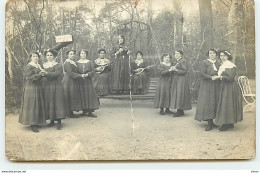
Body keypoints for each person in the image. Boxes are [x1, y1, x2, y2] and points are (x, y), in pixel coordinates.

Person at [214, 50, 243, 131]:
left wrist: (220, 77)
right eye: (221, 56)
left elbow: (230, 78)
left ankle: (225, 124)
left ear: (228, 56)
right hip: (225, 86)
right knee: (227, 103)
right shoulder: (223, 65)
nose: (222, 57)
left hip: (230, 86)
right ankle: (229, 122)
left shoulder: (230, 65)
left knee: (226, 104)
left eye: (224, 56)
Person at [18, 52, 46, 133]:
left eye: (37, 56)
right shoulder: (28, 66)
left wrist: (42, 75)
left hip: (38, 86)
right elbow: (30, 78)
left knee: (38, 103)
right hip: (31, 87)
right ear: (30, 58)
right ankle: (33, 124)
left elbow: (40, 77)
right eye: (34, 56)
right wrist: (40, 75)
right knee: (33, 103)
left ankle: (37, 121)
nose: (36, 57)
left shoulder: (39, 66)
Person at [195, 49, 221, 131]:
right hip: (207, 84)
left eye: (213, 53)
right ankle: (209, 123)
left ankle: (214, 121)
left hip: (216, 85)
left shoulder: (218, 63)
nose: (212, 55)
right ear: (208, 54)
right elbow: (202, 73)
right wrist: (211, 77)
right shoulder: (204, 62)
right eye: (210, 53)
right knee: (208, 101)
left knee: (215, 101)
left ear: (216, 54)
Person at [43, 49, 66, 130]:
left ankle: (59, 122)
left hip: (56, 85)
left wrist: (46, 73)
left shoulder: (58, 65)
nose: (49, 57)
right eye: (48, 55)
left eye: (51, 55)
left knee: (57, 102)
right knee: (50, 101)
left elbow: (57, 74)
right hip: (47, 85)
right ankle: (51, 120)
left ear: (54, 56)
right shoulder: (43, 65)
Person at [63, 50, 86, 118]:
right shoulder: (67, 62)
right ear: (67, 55)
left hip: (73, 80)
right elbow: (70, 73)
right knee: (69, 95)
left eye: (73, 54)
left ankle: (71, 111)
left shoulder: (73, 62)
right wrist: (80, 76)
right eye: (70, 54)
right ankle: (69, 112)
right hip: (69, 80)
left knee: (72, 95)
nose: (72, 55)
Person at [76, 50, 100, 117]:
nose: (83, 55)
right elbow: (75, 71)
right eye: (82, 53)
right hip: (80, 81)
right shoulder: (77, 63)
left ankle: (90, 111)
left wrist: (88, 74)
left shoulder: (89, 62)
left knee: (89, 95)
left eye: (84, 53)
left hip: (88, 81)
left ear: (86, 54)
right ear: (80, 54)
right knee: (82, 95)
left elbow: (93, 70)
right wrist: (80, 75)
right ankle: (84, 111)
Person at [170, 50, 192, 117]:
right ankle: (180, 110)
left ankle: (179, 111)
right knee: (178, 94)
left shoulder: (182, 61)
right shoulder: (177, 61)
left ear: (181, 55)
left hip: (181, 79)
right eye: (175, 53)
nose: (176, 55)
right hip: (177, 78)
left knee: (180, 94)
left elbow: (185, 71)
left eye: (178, 53)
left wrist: (176, 70)